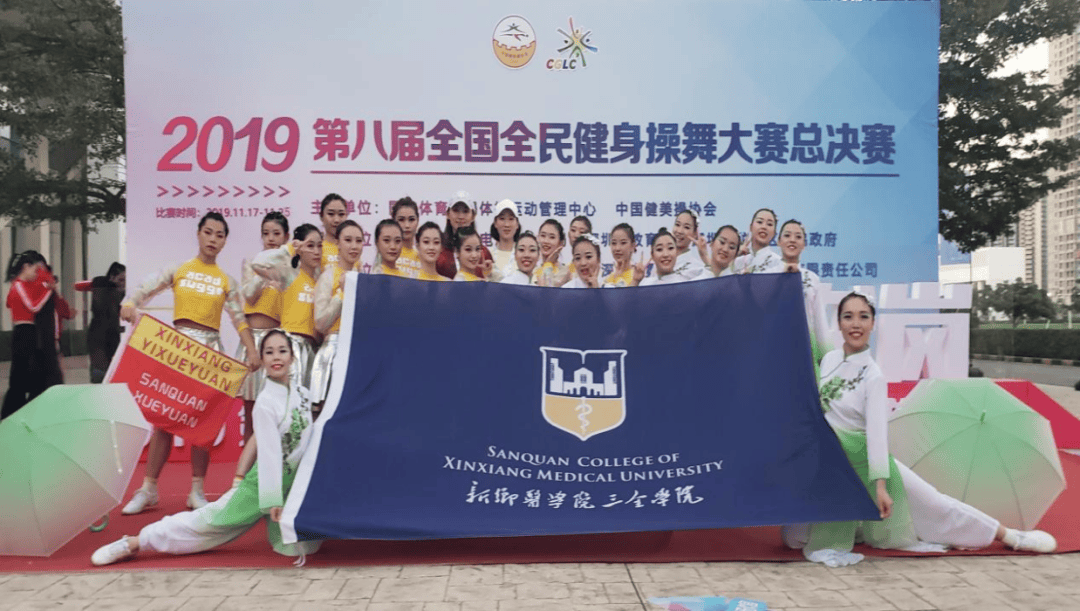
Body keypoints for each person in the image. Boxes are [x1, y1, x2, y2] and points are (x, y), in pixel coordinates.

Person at [790, 292, 1057, 567]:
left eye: (863, 316)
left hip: (866, 462)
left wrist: (880, 486)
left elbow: (878, 436)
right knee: (795, 538)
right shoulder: (830, 360)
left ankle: (1009, 535)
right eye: (848, 317)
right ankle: (859, 523)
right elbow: (806, 336)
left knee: (934, 505)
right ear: (838, 323)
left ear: (873, 323)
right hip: (832, 464)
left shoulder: (872, 376)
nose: (855, 324)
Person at [91, 329, 321, 567]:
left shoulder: (303, 395)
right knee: (210, 524)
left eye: (282, 351)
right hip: (264, 486)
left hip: (290, 486)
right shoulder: (265, 402)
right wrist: (272, 498)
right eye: (269, 352)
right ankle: (136, 542)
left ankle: (282, 530)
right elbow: (270, 453)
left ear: (293, 357)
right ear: (261, 360)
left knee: (302, 545)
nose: (276, 357)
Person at [120, 213, 260, 514]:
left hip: (209, 354)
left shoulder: (227, 281)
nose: (213, 239)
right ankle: (148, 488)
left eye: (219, 235)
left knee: (202, 426)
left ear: (225, 241)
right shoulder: (179, 269)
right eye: (208, 232)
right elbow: (147, 287)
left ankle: (196, 490)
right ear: (198, 234)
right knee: (163, 421)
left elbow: (239, 319)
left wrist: (252, 351)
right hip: (178, 351)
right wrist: (130, 303)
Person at [237, 212, 289, 444]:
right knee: (251, 414)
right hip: (254, 342)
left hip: (278, 342)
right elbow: (249, 294)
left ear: (286, 237)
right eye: (266, 234)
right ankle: (246, 466)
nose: (271, 238)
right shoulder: (251, 263)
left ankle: (272, 462)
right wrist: (265, 271)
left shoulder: (291, 269)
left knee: (277, 413)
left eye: (276, 233)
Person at [252, 224, 323, 390]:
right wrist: (289, 248)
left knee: (306, 401)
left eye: (319, 246)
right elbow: (258, 263)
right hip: (292, 347)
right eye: (310, 246)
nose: (316, 251)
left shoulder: (321, 282)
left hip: (311, 350)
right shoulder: (291, 274)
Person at [2, 251, 62, 419]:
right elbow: (33, 306)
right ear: (25, 267)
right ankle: (10, 413)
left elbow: (10, 304)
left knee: (30, 374)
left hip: (28, 332)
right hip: (23, 331)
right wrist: (48, 291)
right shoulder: (18, 284)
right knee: (20, 375)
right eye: (35, 270)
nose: (36, 274)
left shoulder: (18, 286)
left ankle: (21, 411)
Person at [312, 220, 364, 411]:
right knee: (324, 413)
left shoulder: (365, 280)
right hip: (333, 350)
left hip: (358, 352)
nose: (354, 246)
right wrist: (342, 294)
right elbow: (320, 323)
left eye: (358, 241)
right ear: (337, 244)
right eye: (348, 240)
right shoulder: (328, 276)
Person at [777, 220, 831, 370]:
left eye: (798, 237)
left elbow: (819, 320)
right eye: (787, 235)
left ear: (804, 244)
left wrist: (826, 358)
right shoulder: (766, 275)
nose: (792, 240)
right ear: (779, 241)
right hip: (773, 347)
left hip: (803, 349)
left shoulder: (811, 278)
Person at [437, 191, 493, 279]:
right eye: (456, 210)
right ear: (447, 214)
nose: (460, 216)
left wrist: (489, 275)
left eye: (465, 211)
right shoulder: (439, 251)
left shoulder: (484, 253)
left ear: (473, 216)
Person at [87, 262, 126, 384]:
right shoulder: (104, 292)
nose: (123, 284)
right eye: (121, 280)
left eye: (125, 281)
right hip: (100, 341)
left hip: (112, 340)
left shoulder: (121, 296)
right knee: (100, 376)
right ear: (111, 278)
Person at [732, 208, 783, 274]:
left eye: (769, 224)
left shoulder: (779, 264)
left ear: (774, 233)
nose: (764, 227)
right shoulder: (737, 262)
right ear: (751, 227)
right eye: (759, 222)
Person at [489, 199, 522, 281]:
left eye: (511, 219)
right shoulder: (487, 255)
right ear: (495, 223)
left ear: (517, 224)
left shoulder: (523, 255)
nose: (506, 224)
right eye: (502, 218)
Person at [391, 197, 423, 278]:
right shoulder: (387, 253)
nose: (407, 225)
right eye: (401, 220)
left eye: (411, 219)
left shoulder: (424, 256)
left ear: (418, 220)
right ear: (394, 221)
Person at [317, 193, 349, 268]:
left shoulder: (352, 248)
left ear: (346, 216)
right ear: (321, 216)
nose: (336, 220)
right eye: (331, 214)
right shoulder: (316, 248)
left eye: (341, 214)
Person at [671, 210, 706, 279]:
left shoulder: (697, 268)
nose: (679, 231)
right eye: (677, 225)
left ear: (695, 234)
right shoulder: (661, 261)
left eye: (686, 227)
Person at [535, 219, 570, 286]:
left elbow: (548, 291)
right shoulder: (533, 269)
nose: (546, 241)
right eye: (543, 236)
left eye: (552, 237)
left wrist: (548, 265)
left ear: (561, 243)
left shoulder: (566, 272)